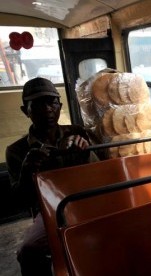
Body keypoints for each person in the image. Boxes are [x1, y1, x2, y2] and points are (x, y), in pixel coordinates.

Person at [5, 77, 98, 276]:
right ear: (25, 111)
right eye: (37, 104)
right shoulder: (17, 151)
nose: (47, 109)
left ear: (60, 106)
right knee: (29, 251)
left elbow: (99, 173)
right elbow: (20, 201)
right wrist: (27, 170)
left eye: (51, 102)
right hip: (50, 211)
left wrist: (86, 152)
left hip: (86, 202)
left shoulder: (77, 132)